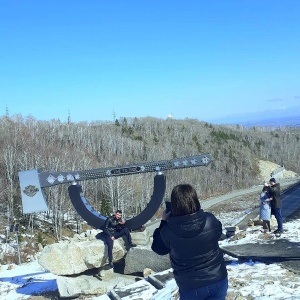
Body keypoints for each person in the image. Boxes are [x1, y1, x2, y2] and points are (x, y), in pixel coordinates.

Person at [151, 184, 228, 300]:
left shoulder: (167, 230)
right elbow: (218, 233)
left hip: (190, 286)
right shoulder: (210, 220)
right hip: (218, 279)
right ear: (195, 200)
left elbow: (158, 248)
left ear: (174, 205)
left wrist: (163, 222)